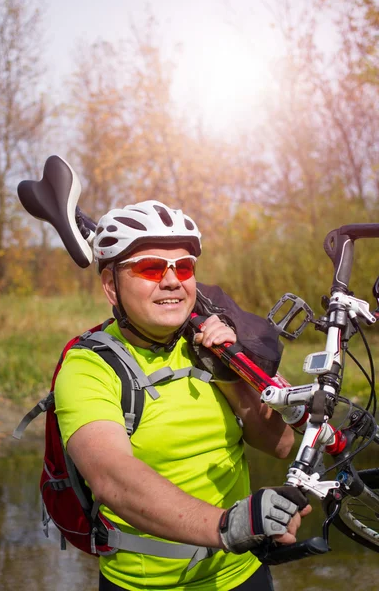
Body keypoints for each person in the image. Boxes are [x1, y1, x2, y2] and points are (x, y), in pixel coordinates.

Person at [54, 200, 311, 591]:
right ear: (111, 286)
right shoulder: (89, 366)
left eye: (184, 267)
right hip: (145, 585)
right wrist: (229, 525)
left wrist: (230, 375)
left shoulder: (213, 344)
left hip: (242, 574)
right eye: (151, 268)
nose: (172, 281)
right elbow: (113, 478)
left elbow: (280, 444)